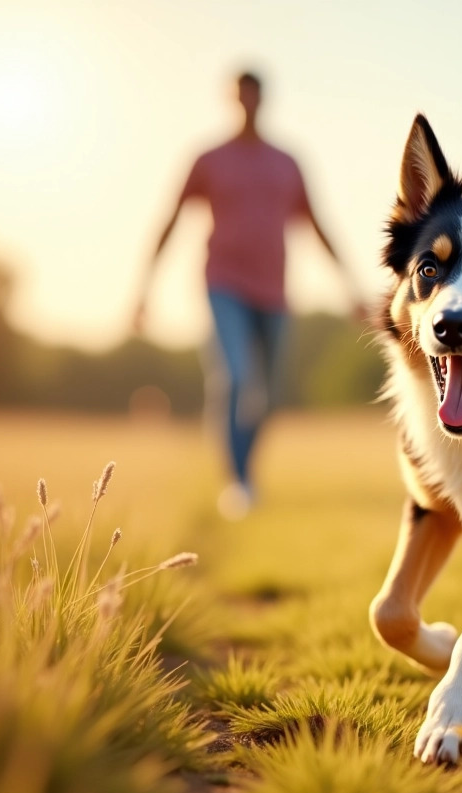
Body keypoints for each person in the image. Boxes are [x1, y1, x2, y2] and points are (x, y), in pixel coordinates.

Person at [135, 70, 365, 519]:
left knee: (268, 393)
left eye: (254, 97)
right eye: (240, 98)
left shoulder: (286, 162)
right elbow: (170, 217)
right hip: (223, 283)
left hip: (274, 293)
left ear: (263, 100)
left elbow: (318, 224)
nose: (248, 105)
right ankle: (238, 484)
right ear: (231, 100)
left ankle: (246, 473)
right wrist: (144, 289)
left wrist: (351, 288)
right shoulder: (209, 159)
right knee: (236, 379)